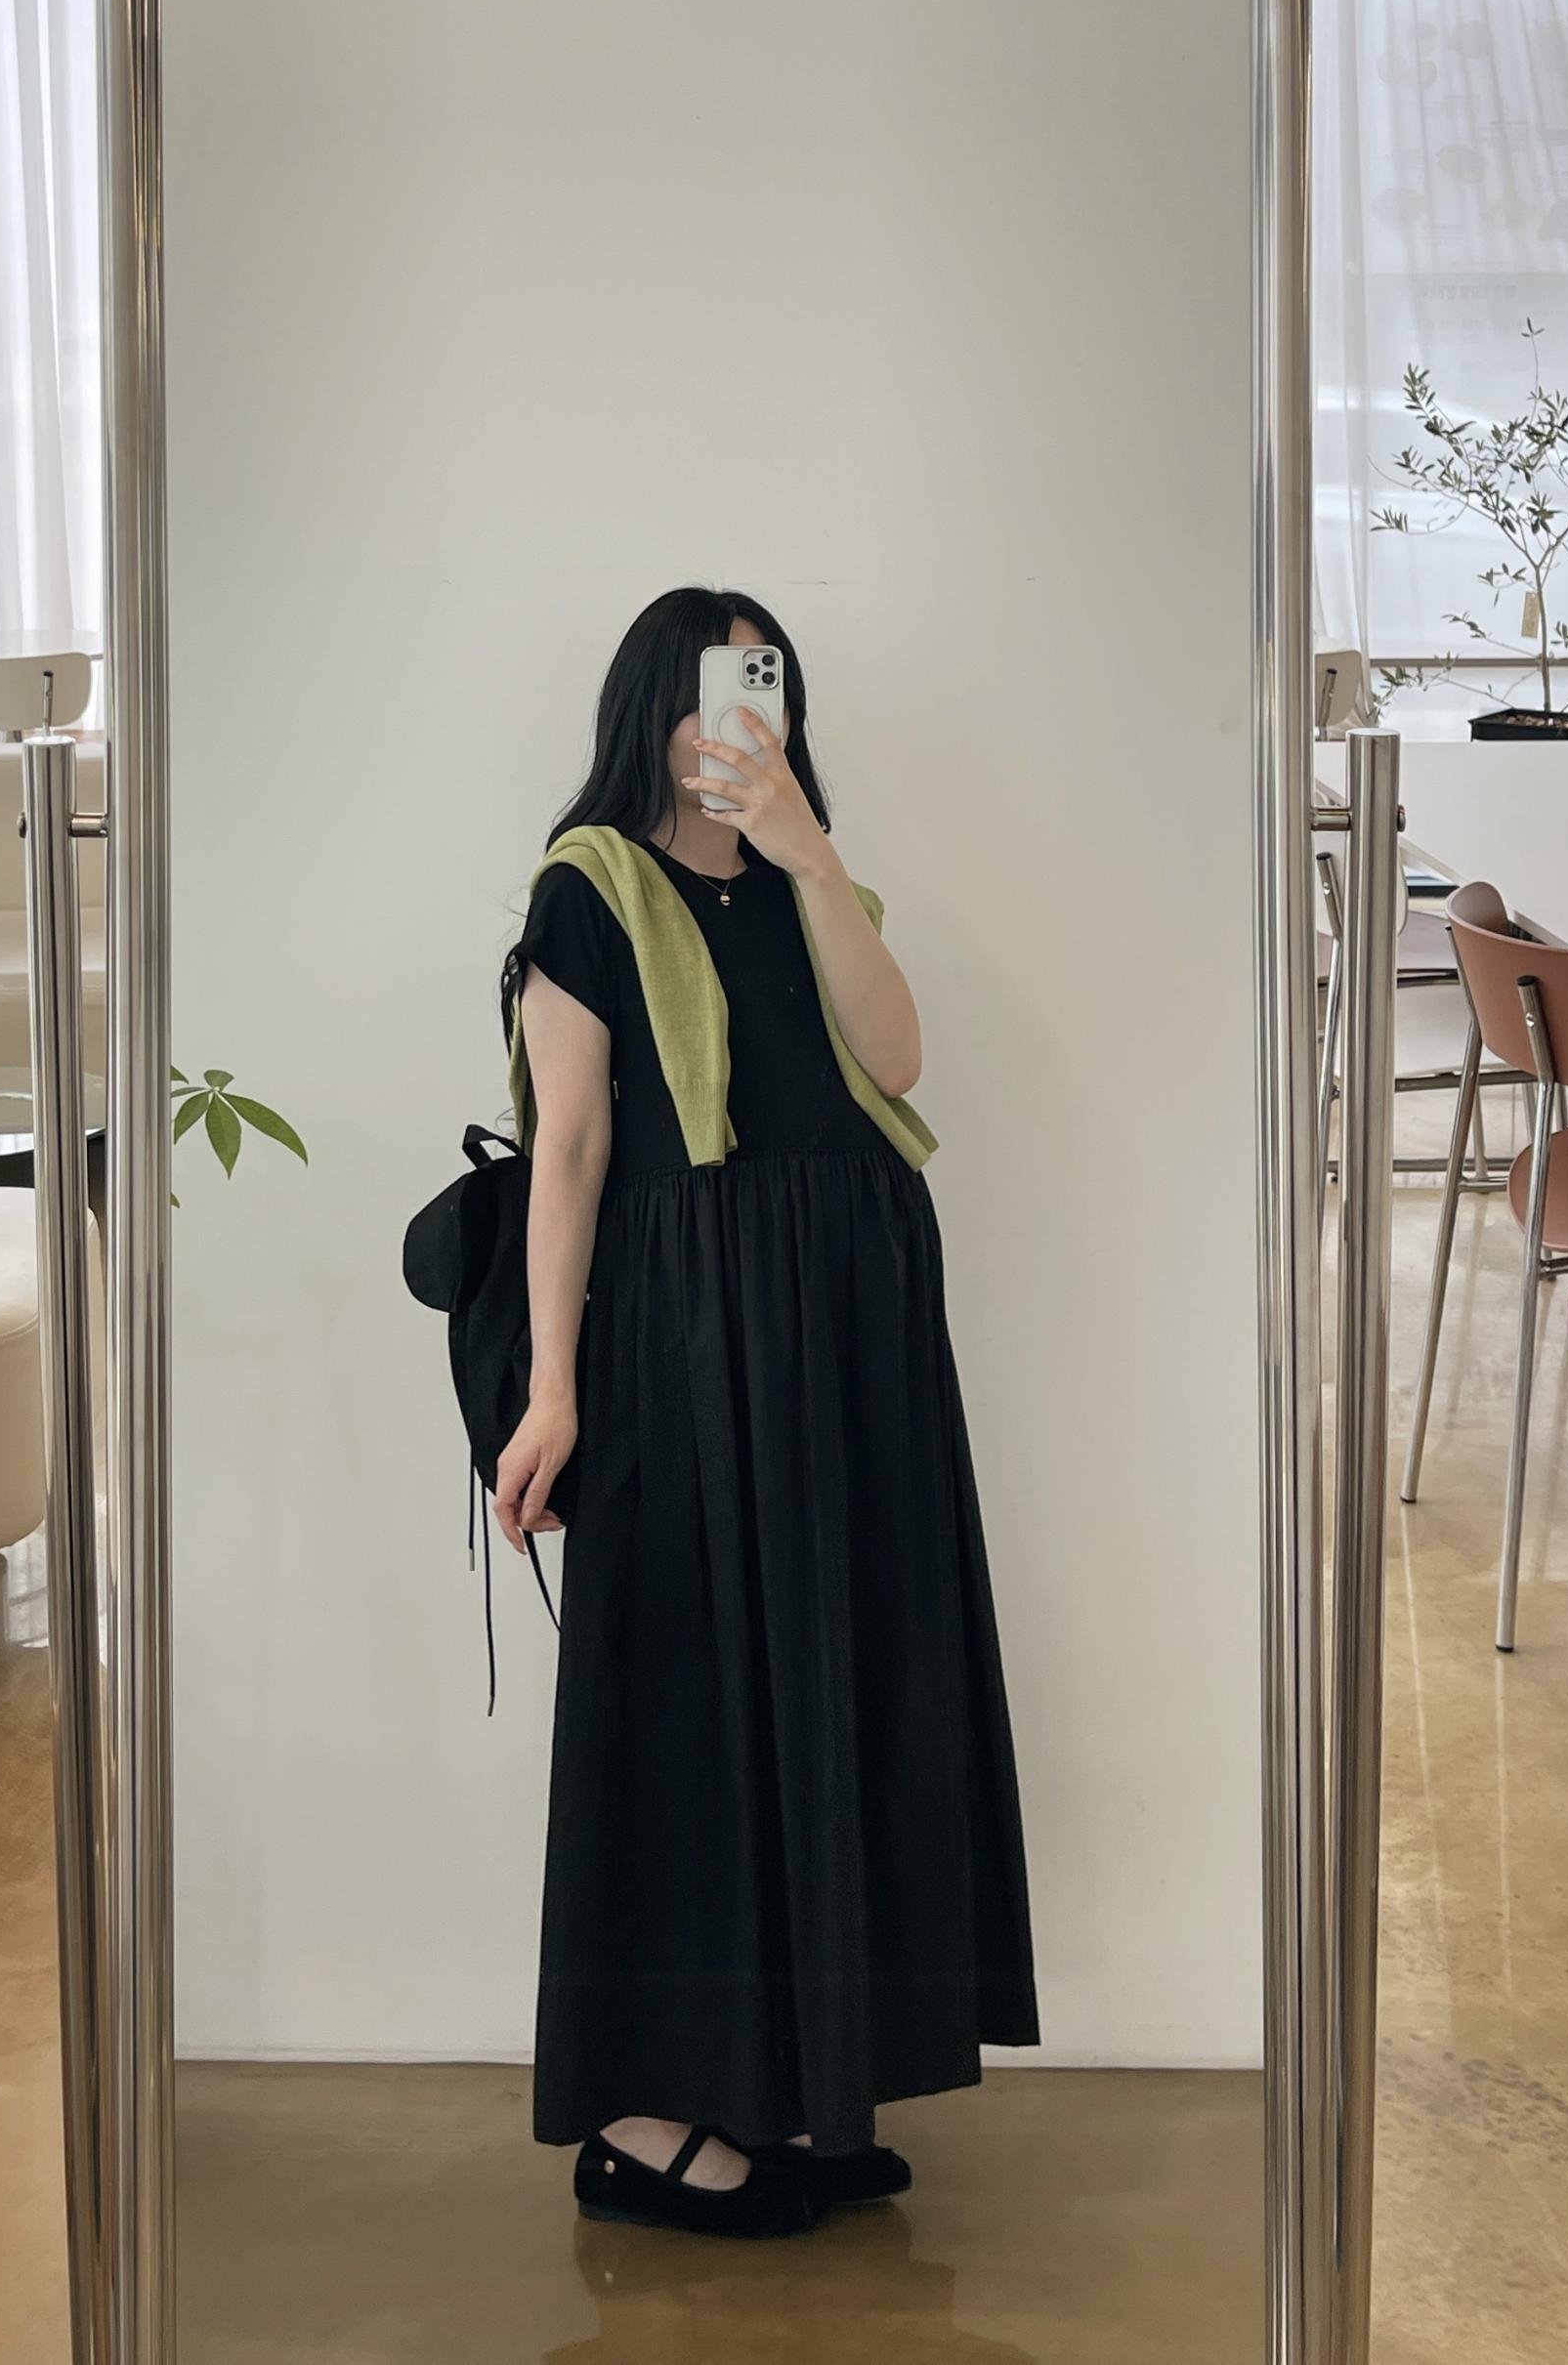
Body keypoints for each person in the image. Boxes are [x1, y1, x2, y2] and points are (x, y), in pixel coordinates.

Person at [497, 585, 1037, 2237]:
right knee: (686, 1699)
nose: (738, 711)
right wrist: (555, 1386)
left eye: (763, 680)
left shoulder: (818, 882)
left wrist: (808, 855)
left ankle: (795, 2082)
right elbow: (570, 1146)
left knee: (838, 1688)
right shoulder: (588, 887)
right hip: (694, 1329)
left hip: (851, 1328)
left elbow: (899, 1057)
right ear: (650, 705)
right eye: (711, 684)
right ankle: (642, 2117)